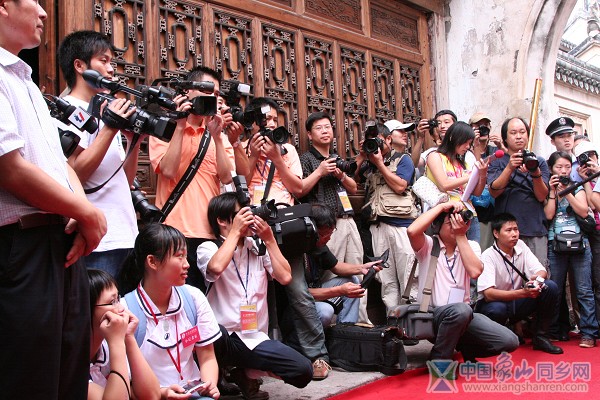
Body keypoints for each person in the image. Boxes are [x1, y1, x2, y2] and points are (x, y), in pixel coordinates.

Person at [0, 1, 107, 398]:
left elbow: (60, 164)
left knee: (68, 371)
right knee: (30, 375)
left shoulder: (26, 81)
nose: (44, 13)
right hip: (22, 244)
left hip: (59, 241)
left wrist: (81, 211)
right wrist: (85, 212)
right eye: (34, 2)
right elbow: (9, 168)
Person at [197, 193, 312, 400]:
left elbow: (285, 277)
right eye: (242, 214)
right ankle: (218, 373)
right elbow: (215, 268)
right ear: (222, 220)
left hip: (254, 337)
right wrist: (235, 232)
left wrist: (269, 239)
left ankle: (244, 374)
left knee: (303, 370)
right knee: (212, 331)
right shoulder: (208, 248)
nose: (250, 218)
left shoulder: (257, 248)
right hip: (222, 336)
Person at [57, 30, 140, 277]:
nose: (111, 69)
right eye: (103, 61)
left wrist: (134, 142)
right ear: (80, 66)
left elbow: (123, 180)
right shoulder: (67, 111)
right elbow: (72, 174)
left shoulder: (105, 112)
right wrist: (110, 129)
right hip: (97, 240)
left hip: (125, 233)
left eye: (111, 62)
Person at [149, 66, 234, 291]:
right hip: (173, 231)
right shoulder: (165, 126)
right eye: (206, 90)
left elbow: (226, 177)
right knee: (175, 296)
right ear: (188, 91)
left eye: (216, 93)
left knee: (204, 299)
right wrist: (180, 125)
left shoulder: (217, 133)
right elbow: (168, 170)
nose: (212, 97)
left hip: (210, 232)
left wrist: (217, 138)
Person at [279, 204, 382, 380]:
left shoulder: (316, 244)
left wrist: (362, 268)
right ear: (312, 230)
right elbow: (302, 295)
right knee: (325, 311)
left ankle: (343, 339)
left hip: (311, 300)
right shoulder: (293, 248)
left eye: (331, 233)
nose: (328, 238)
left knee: (353, 281)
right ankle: (299, 347)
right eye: (324, 234)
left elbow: (336, 266)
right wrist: (339, 291)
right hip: (291, 313)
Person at [406, 201, 519, 362]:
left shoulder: (471, 246)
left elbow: (475, 272)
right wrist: (441, 207)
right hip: (433, 315)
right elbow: (412, 231)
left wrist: (461, 236)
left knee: (510, 341)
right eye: (450, 222)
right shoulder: (429, 245)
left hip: (464, 316)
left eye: (460, 222)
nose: (456, 226)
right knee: (461, 310)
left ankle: (465, 348)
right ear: (438, 226)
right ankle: (439, 359)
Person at [120, 224, 222, 399]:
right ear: (152, 262)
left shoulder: (193, 298)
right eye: (179, 256)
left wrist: (208, 385)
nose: (187, 264)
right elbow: (122, 382)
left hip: (194, 394)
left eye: (185, 256)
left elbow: (207, 356)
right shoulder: (126, 310)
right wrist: (163, 393)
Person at [299, 111, 365, 321]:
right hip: (326, 226)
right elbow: (299, 190)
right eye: (319, 128)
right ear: (310, 135)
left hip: (348, 220)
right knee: (330, 271)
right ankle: (330, 319)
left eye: (327, 127)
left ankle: (359, 320)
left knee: (356, 271)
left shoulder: (338, 158)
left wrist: (341, 174)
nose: (325, 131)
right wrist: (320, 171)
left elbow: (353, 188)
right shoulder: (306, 159)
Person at [354, 120, 419, 313]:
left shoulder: (403, 159)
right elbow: (353, 179)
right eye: (371, 141)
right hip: (378, 227)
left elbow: (400, 186)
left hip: (402, 226)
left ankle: (412, 320)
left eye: (378, 141)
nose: (376, 145)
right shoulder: (368, 164)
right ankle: (394, 318)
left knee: (408, 275)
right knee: (386, 280)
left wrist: (380, 164)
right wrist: (362, 156)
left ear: (389, 139)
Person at [475, 213, 563, 354]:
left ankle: (541, 337)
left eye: (516, 229)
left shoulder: (521, 246)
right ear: (496, 233)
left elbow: (541, 271)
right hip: (493, 304)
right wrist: (523, 293)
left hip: (516, 301)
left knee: (550, 287)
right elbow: (489, 294)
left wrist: (536, 281)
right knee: (497, 309)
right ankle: (496, 340)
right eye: (508, 230)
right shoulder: (488, 256)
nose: (514, 234)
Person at [544, 151, 598, 347]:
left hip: (580, 244)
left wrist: (567, 191)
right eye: (559, 167)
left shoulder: (577, 187)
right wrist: (553, 192)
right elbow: (549, 215)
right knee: (555, 289)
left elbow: (583, 211)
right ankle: (553, 330)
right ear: (551, 169)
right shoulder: (547, 188)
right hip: (555, 243)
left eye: (567, 167)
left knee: (584, 290)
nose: (564, 171)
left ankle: (589, 333)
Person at [88, 269, 161, 400]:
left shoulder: (108, 345)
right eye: (112, 302)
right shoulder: (68, 361)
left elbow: (152, 395)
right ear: (86, 310)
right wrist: (116, 342)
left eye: (118, 299)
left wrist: (128, 336)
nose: (121, 309)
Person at [487, 117, 550, 267]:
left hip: (534, 228)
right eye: (513, 133)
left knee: (537, 274)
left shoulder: (539, 161)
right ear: (505, 138)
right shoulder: (497, 161)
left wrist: (535, 173)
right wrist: (509, 167)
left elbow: (542, 196)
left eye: (522, 132)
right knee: (507, 274)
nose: (519, 136)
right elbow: (494, 192)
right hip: (506, 230)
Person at [426, 121, 488, 241]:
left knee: (473, 251)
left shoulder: (463, 163)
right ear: (452, 137)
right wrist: (470, 176)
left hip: (469, 214)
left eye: (470, 143)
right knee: (447, 251)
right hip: (447, 216)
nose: (467, 147)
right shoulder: (435, 156)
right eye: (465, 142)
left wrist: (482, 175)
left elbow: (476, 193)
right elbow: (444, 185)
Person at [245, 97, 302, 205]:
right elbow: (238, 187)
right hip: (252, 212)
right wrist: (253, 156)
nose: (273, 125)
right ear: (252, 122)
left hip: (284, 211)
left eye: (275, 120)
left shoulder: (288, 150)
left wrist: (277, 159)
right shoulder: (242, 148)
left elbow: (297, 189)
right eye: (267, 119)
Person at [469, 112, 500, 251]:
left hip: (493, 212)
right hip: (474, 211)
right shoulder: (465, 152)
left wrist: (502, 146)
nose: (482, 129)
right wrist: (475, 145)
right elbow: (475, 173)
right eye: (478, 126)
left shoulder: (496, 151)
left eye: (485, 125)